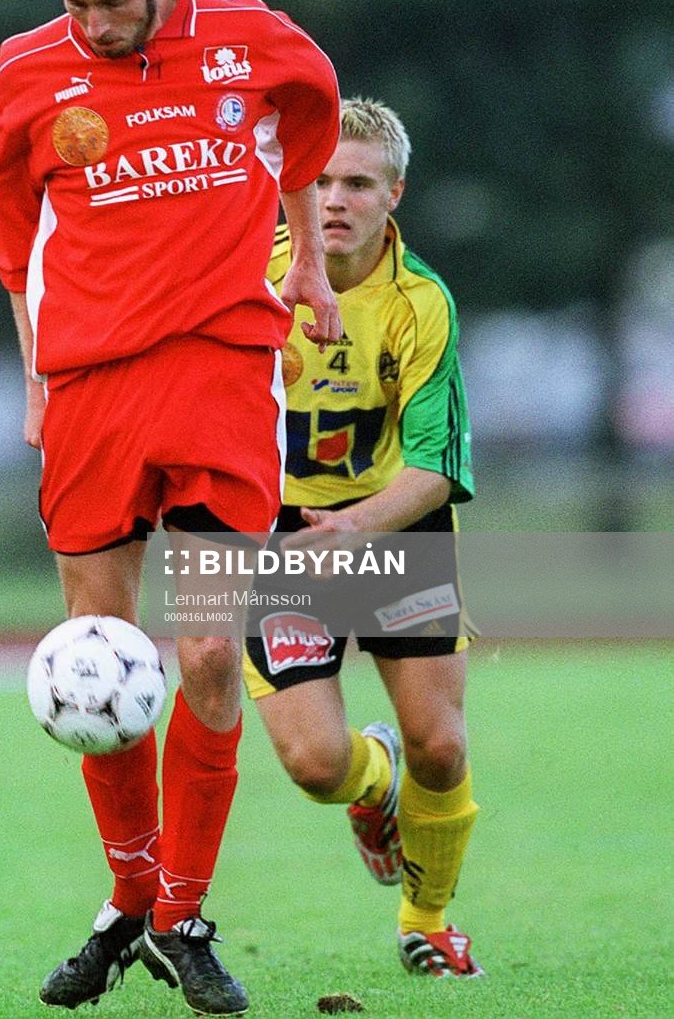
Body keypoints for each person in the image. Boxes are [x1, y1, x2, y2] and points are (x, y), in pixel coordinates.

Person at [0, 0, 341, 1015]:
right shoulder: (26, 70)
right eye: (74, 3)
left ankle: (181, 914)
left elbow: (313, 104)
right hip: (91, 385)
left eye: (111, 0)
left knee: (201, 662)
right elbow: (12, 243)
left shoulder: (245, 35)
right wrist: (36, 377)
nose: (94, 23)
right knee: (96, 658)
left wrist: (305, 259)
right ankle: (133, 897)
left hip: (224, 370)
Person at [243, 98, 483, 978]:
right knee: (315, 766)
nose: (334, 200)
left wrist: (353, 530)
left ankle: (427, 918)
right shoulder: (245, 278)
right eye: (317, 181)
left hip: (396, 530)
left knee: (443, 744)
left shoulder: (421, 303)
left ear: (395, 196)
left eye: (357, 183)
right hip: (273, 541)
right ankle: (373, 783)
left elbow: (438, 466)